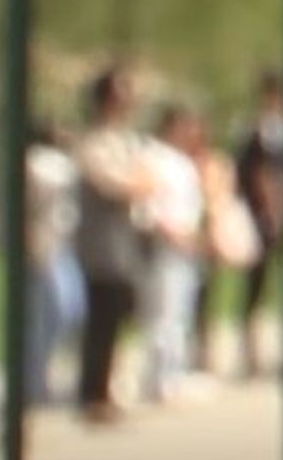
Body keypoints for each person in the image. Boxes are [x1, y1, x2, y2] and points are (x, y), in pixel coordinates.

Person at [73, 67, 155, 424]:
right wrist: (137, 182)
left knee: (120, 313)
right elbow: (117, 184)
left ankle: (107, 386)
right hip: (101, 244)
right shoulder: (95, 143)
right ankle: (93, 394)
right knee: (102, 317)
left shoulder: (126, 141)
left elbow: (146, 179)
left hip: (125, 243)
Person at [140, 106, 211, 406]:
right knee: (163, 315)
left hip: (187, 245)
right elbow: (149, 205)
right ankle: (159, 378)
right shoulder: (154, 158)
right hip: (164, 246)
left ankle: (173, 373)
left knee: (180, 314)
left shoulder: (184, 163)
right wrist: (173, 234)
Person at [233, 73, 283, 378]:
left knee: (272, 284)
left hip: (280, 212)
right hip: (261, 214)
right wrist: (273, 211)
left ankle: (264, 348)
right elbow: (262, 174)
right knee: (257, 281)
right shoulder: (260, 131)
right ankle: (250, 350)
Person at [25, 121, 83, 407]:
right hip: (44, 246)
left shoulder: (57, 164)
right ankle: (34, 383)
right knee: (47, 316)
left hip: (61, 246)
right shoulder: (42, 164)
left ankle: (45, 380)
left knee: (69, 311)